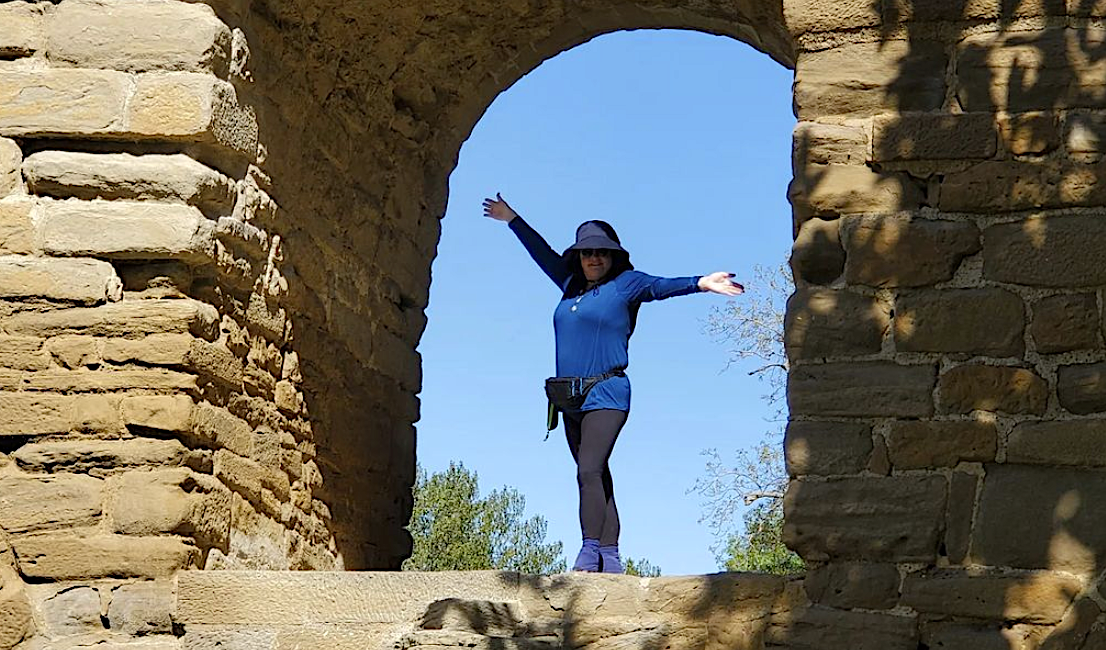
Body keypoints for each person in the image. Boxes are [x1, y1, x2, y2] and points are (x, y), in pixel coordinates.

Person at [482, 193, 744, 573]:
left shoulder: (625, 285)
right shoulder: (569, 284)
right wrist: (512, 219)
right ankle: (610, 554)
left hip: (607, 391)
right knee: (597, 472)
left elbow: (660, 286)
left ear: (613, 257)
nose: (594, 259)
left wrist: (701, 282)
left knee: (587, 470)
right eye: (587, 253)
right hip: (568, 397)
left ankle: (589, 551)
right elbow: (541, 252)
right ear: (579, 257)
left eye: (602, 253)